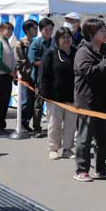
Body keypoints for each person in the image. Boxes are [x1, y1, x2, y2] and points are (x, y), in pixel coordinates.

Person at [73, 18, 106, 182]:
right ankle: (81, 170)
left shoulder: (104, 49)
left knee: (104, 137)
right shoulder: (83, 52)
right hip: (87, 102)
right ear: (91, 33)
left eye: (105, 30)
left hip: (104, 100)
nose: (105, 33)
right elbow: (89, 72)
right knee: (85, 138)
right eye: (101, 30)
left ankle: (101, 168)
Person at [40, 26, 77, 160]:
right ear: (57, 39)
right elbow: (43, 75)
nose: (66, 40)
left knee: (70, 124)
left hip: (72, 95)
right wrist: (45, 95)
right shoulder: (50, 53)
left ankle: (67, 149)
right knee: (54, 123)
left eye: (68, 37)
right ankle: (53, 148)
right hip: (54, 96)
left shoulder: (76, 52)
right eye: (63, 37)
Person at [26, 17, 54, 137]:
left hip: (53, 78)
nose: (49, 32)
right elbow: (33, 61)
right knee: (38, 105)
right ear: (41, 30)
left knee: (53, 105)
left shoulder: (54, 42)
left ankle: (53, 127)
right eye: (46, 29)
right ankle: (37, 128)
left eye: (51, 29)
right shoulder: (36, 43)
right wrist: (49, 63)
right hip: (39, 79)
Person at [0, 22, 16, 136]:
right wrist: (9, 71)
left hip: (6, 75)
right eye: (8, 30)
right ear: (1, 30)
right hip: (0, 75)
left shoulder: (6, 42)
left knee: (4, 102)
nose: (10, 32)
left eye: (11, 30)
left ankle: (1, 125)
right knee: (0, 102)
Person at [17, 19, 38, 134]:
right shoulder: (20, 43)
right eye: (34, 28)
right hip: (25, 77)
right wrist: (29, 72)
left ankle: (26, 123)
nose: (36, 30)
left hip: (35, 77)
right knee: (25, 102)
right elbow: (20, 62)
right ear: (27, 30)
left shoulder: (36, 42)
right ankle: (22, 124)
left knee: (32, 102)